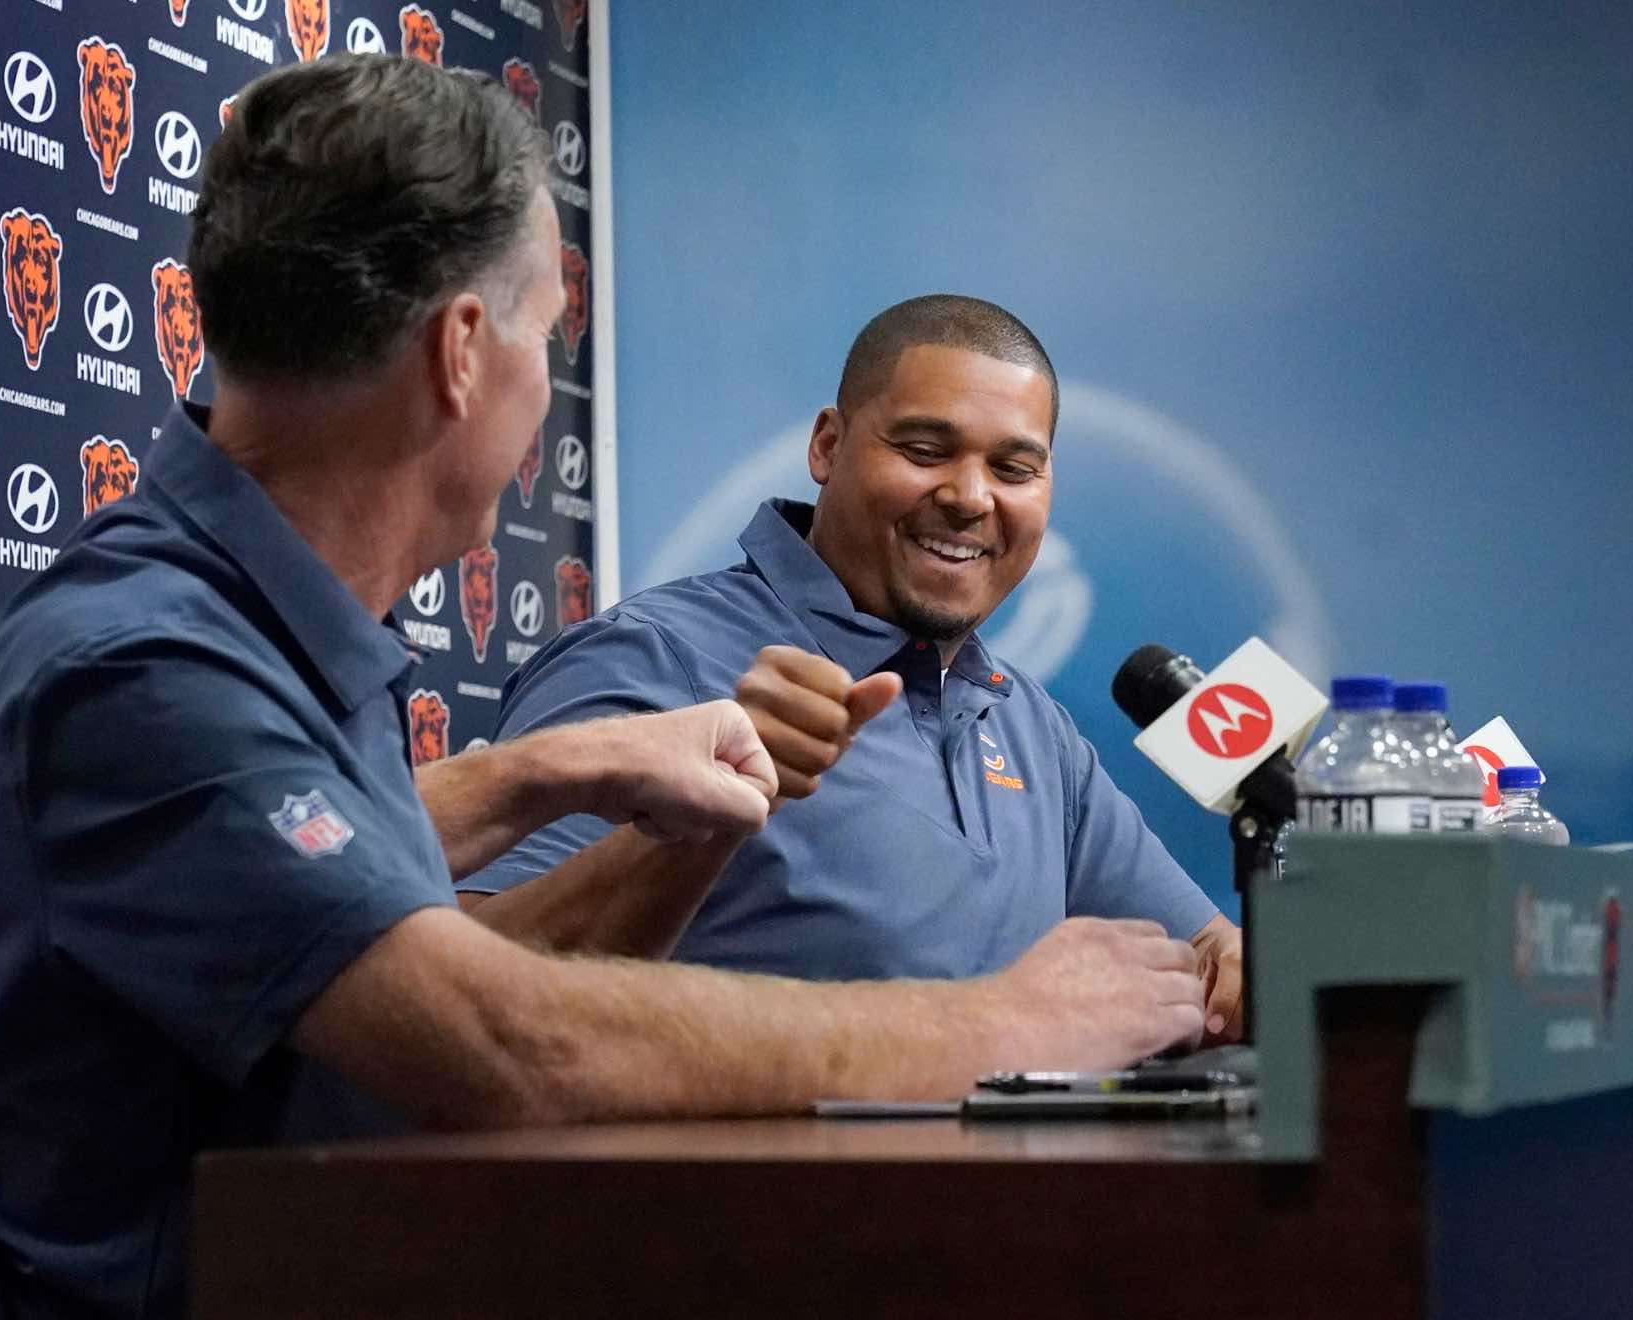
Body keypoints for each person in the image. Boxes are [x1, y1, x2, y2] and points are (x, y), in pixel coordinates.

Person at [0, 56, 1206, 1320]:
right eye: (548, 337)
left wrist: (558, 775)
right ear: (461, 354)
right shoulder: (156, 664)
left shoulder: (266, 639)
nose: (549, 395)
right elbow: (506, 1041)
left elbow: (386, 944)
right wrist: (1005, 1033)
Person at [467, 295, 1244, 1040]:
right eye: (925, 450)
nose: (971, 496)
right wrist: (706, 816)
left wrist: (1249, 973)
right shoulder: (654, 657)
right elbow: (467, 997)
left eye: (1014, 469)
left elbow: (1212, 960)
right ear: (828, 447)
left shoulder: (1032, 725)